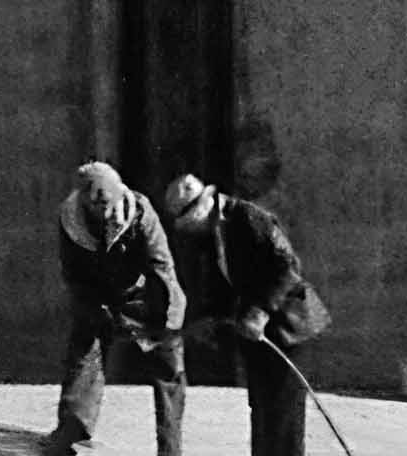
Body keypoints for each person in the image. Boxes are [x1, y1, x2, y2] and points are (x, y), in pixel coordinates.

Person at [167, 170, 328, 456]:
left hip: (287, 325)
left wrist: (260, 312)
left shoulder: (249, 218)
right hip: (255, 334)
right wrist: (211, 319)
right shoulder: (212, 234)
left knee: (283, 413)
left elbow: (287, 267)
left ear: (204, 208)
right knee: (262, 409)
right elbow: (225, 285)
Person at [53, 158, 190, 456]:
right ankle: (70, 440)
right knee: (84, 358)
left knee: (168, 369)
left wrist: (166, 321)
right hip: (98, 298)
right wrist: (94, 310)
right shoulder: (70, 219)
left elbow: (162, 267)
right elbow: (73, 275)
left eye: (109, 203)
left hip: (145, 296)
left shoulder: (140, 212)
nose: (105, 210)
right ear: (84, 201)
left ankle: (171, 450)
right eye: (96, 204)